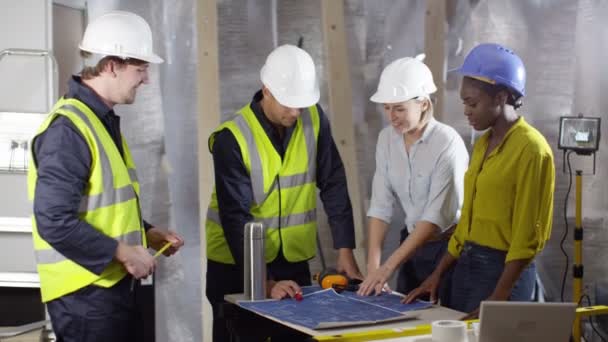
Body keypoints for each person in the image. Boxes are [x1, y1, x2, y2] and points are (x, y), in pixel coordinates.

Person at [28, 11, 184, 342]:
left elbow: (105, 204)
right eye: (140, 69)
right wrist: (125, 253)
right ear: (111, 65)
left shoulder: (99, 120)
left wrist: (147, 234)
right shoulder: (68, 130)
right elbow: (54, 220)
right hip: (85, 295)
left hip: (107, 289)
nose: (146, 79)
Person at [205, 44, 362, 341]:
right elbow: (235, 215)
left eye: (301, 103)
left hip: (292, 260)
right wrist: (263, 283)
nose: (296, 111)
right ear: (266, 90)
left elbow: (334, 183)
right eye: (289, 103)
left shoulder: (314, 120)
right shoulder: (232, 138)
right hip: (235, 265)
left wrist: (345, 250)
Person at [405, 43, 555, 319]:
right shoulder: (482, 143)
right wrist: (438, 273)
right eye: (464, 102)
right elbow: (467, 223)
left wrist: (499, 297)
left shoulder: (531, 149)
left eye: (472, 103)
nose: (466, 110)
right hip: (466, 267)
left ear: (501, 96)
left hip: (504, 275)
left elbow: (527, 237)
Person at [357, 56, 469, 298]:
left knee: (441, 325)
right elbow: (380, 205)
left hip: (448, 251)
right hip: (411, 246)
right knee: (404, 320)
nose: (391, 117)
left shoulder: (447, 143)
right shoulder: (387, 139)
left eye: (399, 108)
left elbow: (434, 219)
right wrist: (373, 268)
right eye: (387, 108)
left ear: (424, 104)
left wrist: (388, 268)